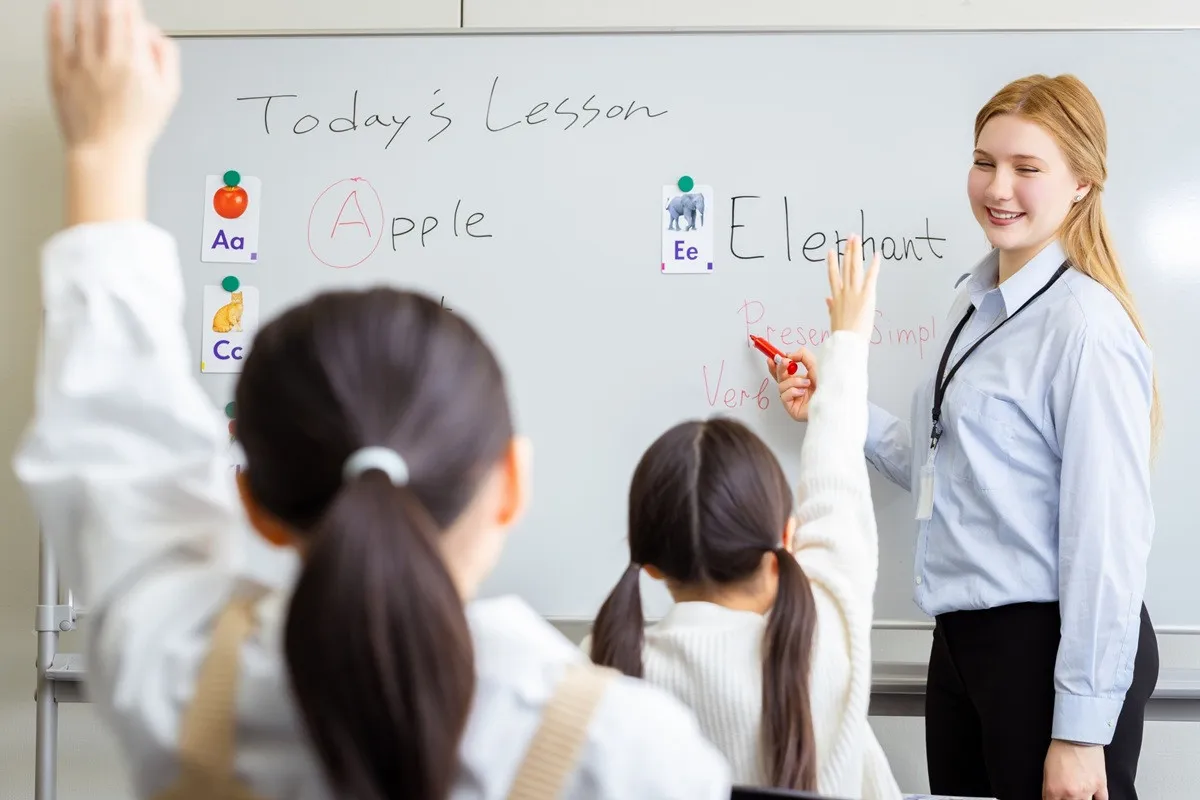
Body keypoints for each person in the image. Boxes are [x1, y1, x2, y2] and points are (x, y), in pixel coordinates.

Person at [13, 2, 733, 798]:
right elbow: (120, 446)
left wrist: (104, 149)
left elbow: (117, 446)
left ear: (248, 497)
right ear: (512, 485)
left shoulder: (182, 683)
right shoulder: (634, 756)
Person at [771, 74, 1159, 800]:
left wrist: (1078, 733)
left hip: (1045, 650)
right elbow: (938, 457)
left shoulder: (1085, 329)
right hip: (962, 642)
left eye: (1027, 168)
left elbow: (1106, 544)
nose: (998, 186)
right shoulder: (973, 300)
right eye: (985, 161)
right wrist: (838, 401)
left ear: (1081, 184)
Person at [584, 237, 904, 800]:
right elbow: (836, 489)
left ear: (651, 564)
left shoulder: (601, 675)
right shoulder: (827, 643)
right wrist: (846, 346)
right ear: (787, 539)